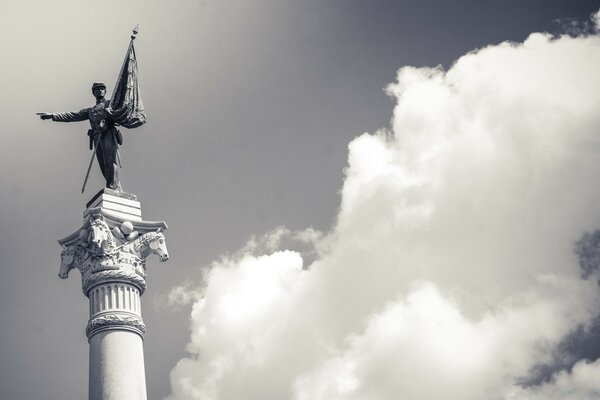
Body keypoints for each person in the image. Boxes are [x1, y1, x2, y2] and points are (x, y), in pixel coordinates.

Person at [39, 82, 123, 190]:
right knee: (103, 165)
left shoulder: (110, 103)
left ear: (105, 91)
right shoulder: (90, 111)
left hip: (108, 133)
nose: (100, 91)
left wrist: (109, 117)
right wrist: (53, 115)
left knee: (110, 160)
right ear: (94, 92)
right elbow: (73, 115)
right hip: (97, 137)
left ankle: (112, 186)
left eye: (102, 89)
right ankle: (115, 186)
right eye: (97, 89)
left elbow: (121, 109)